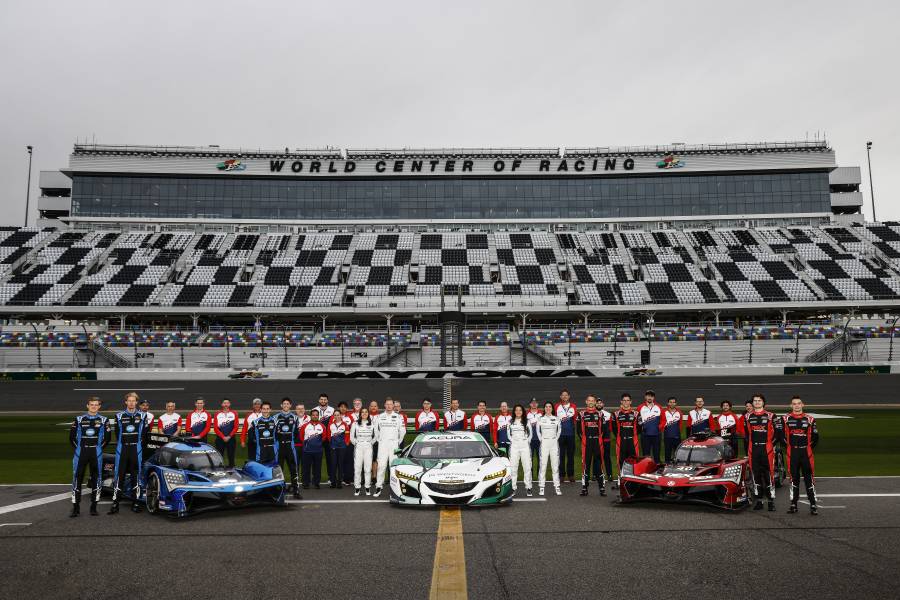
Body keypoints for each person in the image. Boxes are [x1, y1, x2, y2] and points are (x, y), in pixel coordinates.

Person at [109, 392, 149, 514]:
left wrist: (137, 445)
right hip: (122, 450)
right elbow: (117, 433)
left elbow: (144, 434)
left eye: (134, 400)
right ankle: (115, 504)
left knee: (135, 476)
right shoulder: (119, 416)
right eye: (129, 401)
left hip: (136, 450)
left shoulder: (142, 416)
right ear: (126, 402)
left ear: (137, 402)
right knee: (119, 476)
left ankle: (135, 503)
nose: (131, 403)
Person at [69, 396, 110, 517]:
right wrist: (79, 449)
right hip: (81, 453)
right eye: (91, 404)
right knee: (77, 478)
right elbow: (71, 438)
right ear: (87, 405)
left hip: (95, 453)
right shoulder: (79, 419)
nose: (94, 406)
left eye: (96, 404)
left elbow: (107, 439)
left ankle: (94, 507)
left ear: (99, 406)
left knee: (96, 479)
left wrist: (97, 449)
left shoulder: (104, 420)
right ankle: (75, 508)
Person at [783, 396, 819, 515]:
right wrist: (790, 447)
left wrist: (807, 448)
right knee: (794, 479)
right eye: (794, 404)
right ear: (791, 405)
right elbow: (781, 437)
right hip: (792, 452)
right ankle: (793, 504)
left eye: (799, 403)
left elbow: (815, 438)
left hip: (806, 453)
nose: (797, 405)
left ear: (803, 405)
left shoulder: (810, 419)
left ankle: (813, 504)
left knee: (809, 478)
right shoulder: (785, 419)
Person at [745, 394, 778, 511]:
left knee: (769, 475)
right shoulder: (747, 416)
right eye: (755, 401)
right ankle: (758, 501)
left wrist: (771, 445)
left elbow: (778, 434)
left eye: (759, 400)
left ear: (763, 403)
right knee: (755, 475)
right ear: (752, 403)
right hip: (753, 450)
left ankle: (771, 501)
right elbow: (747, 435)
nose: (757, 402)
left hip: (766, 450)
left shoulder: (771, 416)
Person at [373, 398, 405, 496]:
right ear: (384, 405)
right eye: (387, 404)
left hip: (394, 445)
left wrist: (397, 442)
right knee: (381, 466)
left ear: (393, 406)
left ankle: (394, 489)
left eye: (391, 404)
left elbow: (403, 431)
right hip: (383, 445)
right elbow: (375, 431)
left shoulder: (399, 417)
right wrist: (380, 440)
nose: (389, 406)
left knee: (394, 466)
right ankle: (378, 487)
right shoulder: (379, 416)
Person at [578, 395, 606, 497]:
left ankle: (602, 487)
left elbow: (603, 429)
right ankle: (584, 487)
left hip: (597, 443)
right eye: (589, 400)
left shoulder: (600, 414)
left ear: (595, 402)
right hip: (587, 443)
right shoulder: (581, 414)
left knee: (599, 465)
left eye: (592, 401)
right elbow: (579, 431)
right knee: (586, 465)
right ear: (586, 401)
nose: (590, 402)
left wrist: (597, 438)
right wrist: (585, 439)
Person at [274, 398, 302, 498]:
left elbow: (296, 434)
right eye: (284, 404)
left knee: (293, 469)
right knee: (279, 469)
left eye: (287, 404)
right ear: (281, 405)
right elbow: (274, 433)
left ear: (290, 405)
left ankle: (296, 490)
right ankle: (280, 490)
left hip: (290, 446)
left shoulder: (294, 418)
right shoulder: (276, 417)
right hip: (279, 446)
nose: (286, 405)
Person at [613, 394, 640, 484]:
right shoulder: (616, 414)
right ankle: (620, 481)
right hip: (621, 441)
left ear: (630, 402)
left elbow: (640, 428)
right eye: (624, 400)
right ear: (621, 402)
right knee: (621, 460)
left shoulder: (636, 414)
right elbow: (614, 429)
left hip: (633, 441)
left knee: (634, 461)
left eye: (627, 400)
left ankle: (633, 481)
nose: (626, 402)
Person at [507, 404, 533, 497]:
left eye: (520, 410)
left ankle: (528, 487)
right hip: (514, 447)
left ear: (523, 412)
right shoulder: (510, 421)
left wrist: (526, 442)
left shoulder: (527, 421)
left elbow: (530, 434)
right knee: (513, 468)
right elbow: (508, 435)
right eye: (516, 410)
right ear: (514, 412)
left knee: (527, 467)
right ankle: (513, 488)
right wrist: (513, 441)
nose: (518, 412)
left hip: (525, 447)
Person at [537, 401, 562, 496]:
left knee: (555, 466)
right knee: (543, 465)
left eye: (550, 407)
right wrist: (542, 440)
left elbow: (559, 430)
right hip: (544, 443)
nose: (548, 408)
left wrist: (555, 439)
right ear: (544, 408)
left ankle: (557, 486)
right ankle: (541, 487)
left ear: (552, 408)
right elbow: (538, 432)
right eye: (546, 407)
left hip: (554, 444)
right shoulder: (540, 419)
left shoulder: (556, 419)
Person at [350, 407, 376, 496]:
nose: (364, 413)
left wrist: (370, 443)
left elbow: (376, 436)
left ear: (368, 414)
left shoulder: (372, 423)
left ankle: (367, 488)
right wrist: (356, 443)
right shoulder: (355, 423)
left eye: (366, 412)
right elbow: (351, 437)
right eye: (362, 412)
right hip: (359, 447)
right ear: (360, 414)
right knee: (357, 468)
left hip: (368, 447)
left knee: (367, 469)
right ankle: (357, 488)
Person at [554, 390, 578, 483]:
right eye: (563, 395)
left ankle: (571, 474)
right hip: (560, 435)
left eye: (566, 395)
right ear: (560, 397)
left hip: (571, 435)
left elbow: (575, 419)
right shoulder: (556, 406)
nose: (564, 396)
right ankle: (561, 475)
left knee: (571, 455)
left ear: (569, 396)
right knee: (561, 455)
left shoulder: (573, 406)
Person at [299, 409, 326, 489]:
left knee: (317, 468)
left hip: (318, 451)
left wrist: (318, 443)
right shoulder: (305, 426)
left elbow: (324, 437)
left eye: (316, 415)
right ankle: (305, 483)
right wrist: (307, 444)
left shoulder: (322, 426)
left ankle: (316, 482)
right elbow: (301, 436)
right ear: (311, 416)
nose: (315, 416)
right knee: (306, 468)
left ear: (318, 416)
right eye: (313, 415)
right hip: (307, 451)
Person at [213, 398, 239, 468]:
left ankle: (232, 469)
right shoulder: (217, 414)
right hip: (220, 438)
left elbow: (236, 427)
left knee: (231, 455)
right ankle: (219, 469)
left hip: (231, 438)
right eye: (224, 403)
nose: (226, 404)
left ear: (229, 404)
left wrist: (229, 436)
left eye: (227, 403)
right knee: (219, 455)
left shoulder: (234, 413)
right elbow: (215, 428)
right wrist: (223, 437)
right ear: (222, 404)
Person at [638, 390, 663, 463]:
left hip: (656, 435)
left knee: (657, 454)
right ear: (645, 397)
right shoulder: (640, 407)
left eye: (651, 396)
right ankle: (646, 470)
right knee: (646, 455)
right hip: (645, 435)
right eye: (648, 396)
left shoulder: (659, 407)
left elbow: (664, 420)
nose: (650, 397)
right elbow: (637, 420)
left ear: (654, 398)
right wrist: (641, 428)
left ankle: (657, 470)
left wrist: (659, 428)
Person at [327, 410, 349, 489]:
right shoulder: (331, 424)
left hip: (342, 447)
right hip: (333, 447)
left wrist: (346, 443)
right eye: (335, 415)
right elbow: (328, 435)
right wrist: (331, 444)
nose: (337, 416)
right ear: (333, 416)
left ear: (341, 415)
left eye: (338, 415)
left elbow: (347, 435)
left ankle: (339, 482)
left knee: (340, 464)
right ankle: (333, 482)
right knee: (333, 464)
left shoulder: (345, 424)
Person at [317, 394, 335, 484]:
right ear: (319, 400)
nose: (323, 401)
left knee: (329, 458)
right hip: (317, 438)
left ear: (327, 401)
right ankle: (316, 477)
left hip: (328, 438)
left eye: (325, 399)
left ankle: (330, 477)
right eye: (321, 399)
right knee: (317, 458)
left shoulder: (332, 410)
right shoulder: (314, 410)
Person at [597, 398, 614, 483]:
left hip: (606, 439)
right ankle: (596, 474)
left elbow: (610, 428)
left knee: (607, 457)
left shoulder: (608, 414)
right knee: (597, 457)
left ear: (603, 404)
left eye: (600, 403)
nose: (599, 404)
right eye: (598, 403)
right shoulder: (593, 414)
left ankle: (609, 474)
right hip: (596, 440)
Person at [662, 397, 683, 463]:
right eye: (670, 402)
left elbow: (680, 424)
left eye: (673, 402)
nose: (672, 403)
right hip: (667, 436)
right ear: (668, 403)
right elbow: (662, 422)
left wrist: (678, 432)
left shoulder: (679, 412)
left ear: (676, 403)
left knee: (677, 453)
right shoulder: (664, 412)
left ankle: (677, 465)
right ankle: (667, 464)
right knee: (667, 452)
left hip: (677, 436)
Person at [339, 402, 355, 486]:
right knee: (340, 460)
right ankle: (340, 477)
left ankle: (349, 478)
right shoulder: (335, 416)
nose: (343, 408)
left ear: (347, 408)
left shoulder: (350, 417)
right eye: (341, 407)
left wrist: (350, 440)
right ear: (339, 408)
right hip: (338, 443)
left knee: (349, 460)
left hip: (348, 443)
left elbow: (353, 429)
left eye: (345, 407)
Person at [526, 398, 542, 478]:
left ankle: (540, 476)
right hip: (529, 441)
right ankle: (530, 476)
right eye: (532, 403)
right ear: (530, 404)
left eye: (535, 403)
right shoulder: (526, 414)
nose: (534, 404)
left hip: (540, 440)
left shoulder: (542, 414)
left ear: (537, 404)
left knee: (541, 459)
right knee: (529, 459)